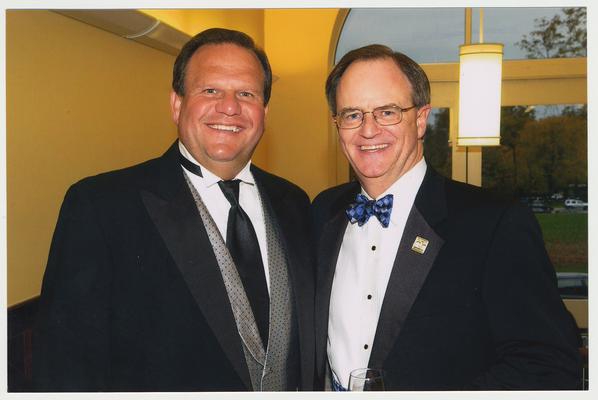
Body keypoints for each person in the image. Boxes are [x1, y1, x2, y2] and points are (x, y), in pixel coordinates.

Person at [33, 28, 314, 391]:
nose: (230, 106)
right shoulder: (101, 207)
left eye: (246, 93)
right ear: (177, 104)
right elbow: (63, 369)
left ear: (264, 111)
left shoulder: (295, 202)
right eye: (210, 90)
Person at [312, 44, 581, 390]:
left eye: (387, 112)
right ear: (337, 124)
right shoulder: (323, 213)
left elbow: (549, 365)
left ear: (421, 119)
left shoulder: (495, 224)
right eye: (352, 114)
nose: (368, 130)